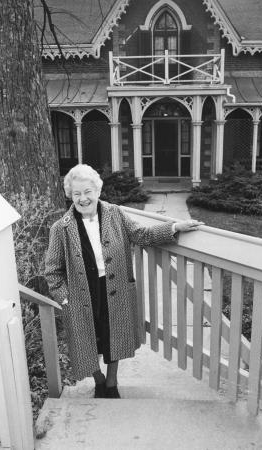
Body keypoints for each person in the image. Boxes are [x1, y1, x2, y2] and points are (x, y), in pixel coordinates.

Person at [45, 164, 203, 399]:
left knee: (114, 335)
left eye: (87, 191)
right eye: (76, 193)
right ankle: (98, 380)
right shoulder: (61, 229)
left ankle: (111, 382)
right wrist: (65, 298)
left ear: (98, 191)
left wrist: (174, 227)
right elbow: (52, 271)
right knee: (86, 341)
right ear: (70, 195)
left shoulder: (115, 214)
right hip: (81, 294)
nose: (83, 198)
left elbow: (142, 234)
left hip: (114, 288)